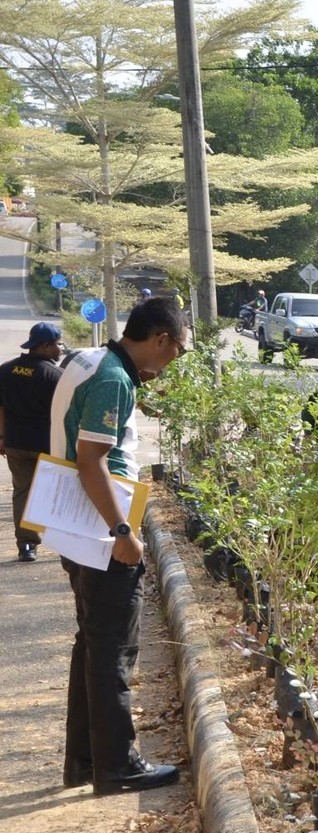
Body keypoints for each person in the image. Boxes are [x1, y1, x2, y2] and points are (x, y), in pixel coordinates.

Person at [48, 296, 188, 793]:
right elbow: (93, 461)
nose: (171, 363)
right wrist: (122, 533)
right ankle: (117, 766)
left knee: (92, 641)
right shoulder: (112, 379)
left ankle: (85, 760)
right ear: (160, 340)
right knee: (114, 648)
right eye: (176, 352)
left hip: (74, 524)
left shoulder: (88, 359)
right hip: (99, 529)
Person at [2, 322, 64, 561]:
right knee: (56, 492)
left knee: (23, 492)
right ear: (45, 346)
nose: (61, 349)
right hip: (47, 446)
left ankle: (27, 546)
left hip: (15, 443)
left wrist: (2, 437)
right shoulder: (55, 376)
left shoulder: (5, 370)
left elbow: (1, 407)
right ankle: (65, 543)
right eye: (58, 344)